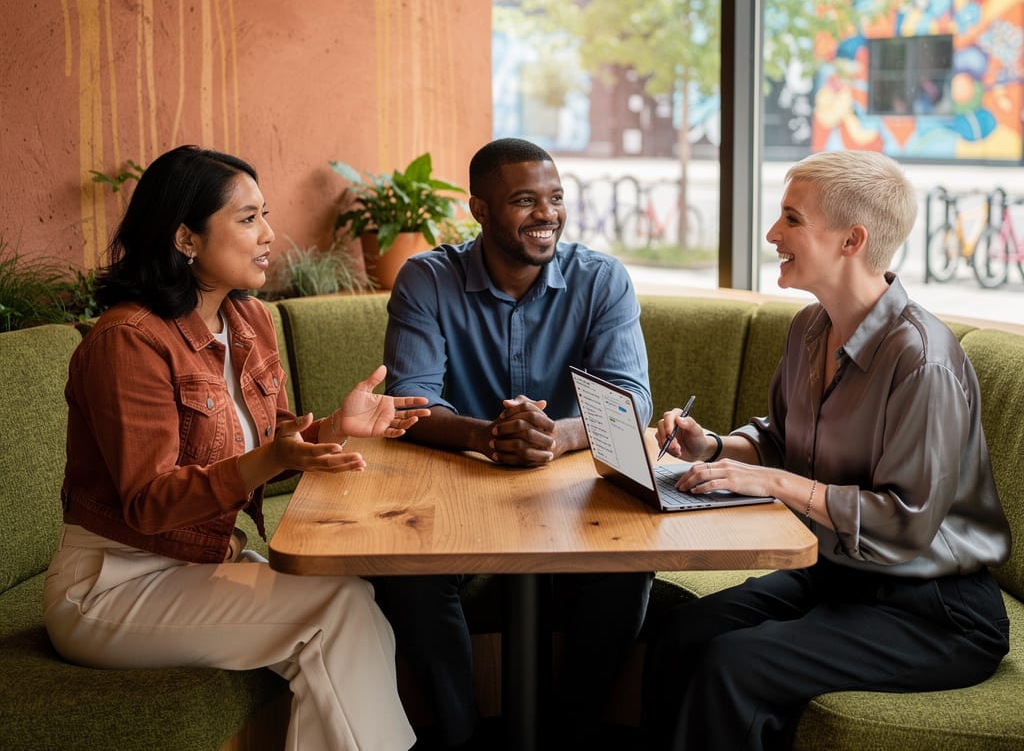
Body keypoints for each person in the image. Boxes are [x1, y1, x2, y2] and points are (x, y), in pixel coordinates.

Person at [43, 145, 431, 751]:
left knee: (354, 600)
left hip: (204, 566)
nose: (269, 234)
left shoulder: (248, 320)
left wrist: (336, 428)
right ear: (186, 239)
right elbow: (148, 502)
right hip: (112, 587)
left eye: (264, 215)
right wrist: (278, 455)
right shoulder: (129, 341)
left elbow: (280, 444)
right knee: (336, 615)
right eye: (247, 219)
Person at [644, 150, 1011, 751]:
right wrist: (711, 446)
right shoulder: (809, 329)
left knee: (735, 663)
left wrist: (778, 485)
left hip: (935, 609)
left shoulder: (923, 360)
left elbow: (905, 523)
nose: (771, 234)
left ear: (851, 240)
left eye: (791, 219)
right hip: (842, 573)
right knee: (685, 630)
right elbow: (781, 439)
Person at [378, 137, 654, 748]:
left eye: (555, 198)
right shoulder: (427, 278)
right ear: (479, 209)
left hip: (575, 496)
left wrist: (556, 438)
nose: (546, 214)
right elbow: (410, 403)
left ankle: (572, 732)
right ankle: (459, 737)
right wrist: (488, 435)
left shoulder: (602, 280)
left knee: (628, 567)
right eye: (524, 201)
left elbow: (631, 403)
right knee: (409, 575)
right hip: (456, 489)